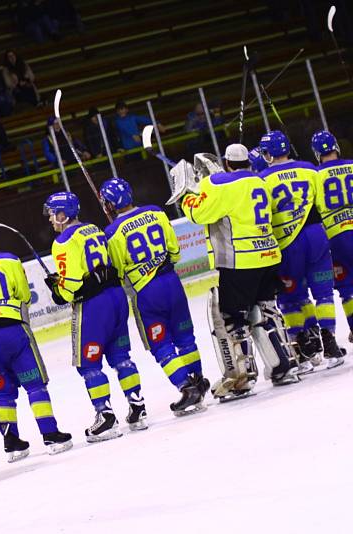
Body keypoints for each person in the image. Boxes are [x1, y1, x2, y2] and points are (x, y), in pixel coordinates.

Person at [179, 144, 299, 400]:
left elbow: (198, 214)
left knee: (231, 318)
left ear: (226, 162)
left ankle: (242, 378)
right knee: (266, 311)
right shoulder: (260, 179)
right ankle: (284, 364)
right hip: (268, 255)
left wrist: (186, 194)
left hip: (240, 261)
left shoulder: (221, 184)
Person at [0, 225, 72, 461]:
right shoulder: (9, 260)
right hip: (12, 330)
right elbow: (24, 295)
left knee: (3, 394)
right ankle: (50, 434)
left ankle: (12, 443)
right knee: (35, 385)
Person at [42, 191, 146, 441]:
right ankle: (138, 407)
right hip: (116, 296)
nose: (50, 219)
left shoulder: (63, 241)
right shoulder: (95, 229)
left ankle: (106, 416)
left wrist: (59, 290)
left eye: (52, 214)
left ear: (63, 215)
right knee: (121, 356)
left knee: (88, 364)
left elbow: (73, 284)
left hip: (93, 306)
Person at [101, 178, 209, 415]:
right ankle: (198, 380)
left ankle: (185, 386)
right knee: (185, 338)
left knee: (160, 345)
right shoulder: (157, 212)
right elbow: (176, 252)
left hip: (147, 292)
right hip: (172, 283)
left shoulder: (112, 231)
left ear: (109, 204)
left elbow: (118, 271)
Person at [259, 131, 343, 371]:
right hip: (316, 234)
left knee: (291, 297)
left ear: (267, 154)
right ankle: (330, 342)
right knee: (323, 293)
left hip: (288, 242)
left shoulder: (263, 178)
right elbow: (321, 200)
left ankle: (303, 346)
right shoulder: (309, 169)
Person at [311, 130, 353, 348]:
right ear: (336, 146)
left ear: (317, 153)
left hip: (336, 237)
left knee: (347, 287)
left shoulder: (316, 175)